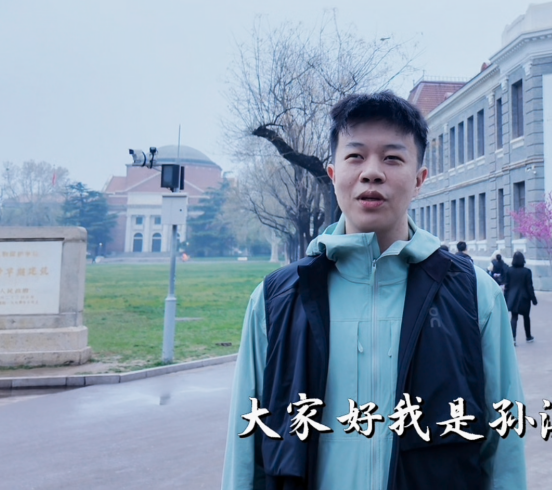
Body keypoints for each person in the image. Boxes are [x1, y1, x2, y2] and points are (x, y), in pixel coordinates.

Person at [222, 91, 526, 490]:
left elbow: (502, 447)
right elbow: (246, 450)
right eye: (355, 156)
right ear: (333, 175)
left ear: (419, 180)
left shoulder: (474, 295)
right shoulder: (276, 300)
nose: (372, 173)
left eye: (392, 158)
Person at [503, 251, 537, 343]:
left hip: (512, 297)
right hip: (524, 298)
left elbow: (507, 286)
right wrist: (533, 299)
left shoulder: (509, 270)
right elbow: (529, 287)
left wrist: (505, 299)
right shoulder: (527, 271)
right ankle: (528, 336)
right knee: (526, 317)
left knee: (514, 317)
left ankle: (513, 338)